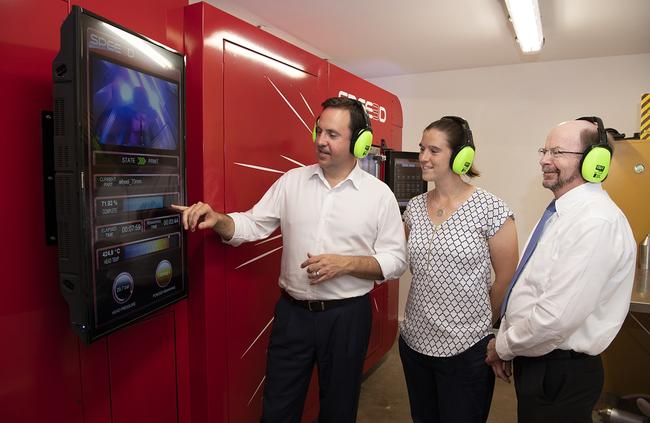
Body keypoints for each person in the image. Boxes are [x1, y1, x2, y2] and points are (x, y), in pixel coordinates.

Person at [172, 97, 407, 423]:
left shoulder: (378, 195)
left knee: (339, 410)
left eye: (333, 135)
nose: (321, 141)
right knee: (278, 409)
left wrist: (347, 264)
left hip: (347, 318)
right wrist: (218, 219)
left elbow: (396, 260)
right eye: (319, 131)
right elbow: (252, 224)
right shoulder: (292, 181)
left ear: (358, 141)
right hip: (292, 316)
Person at [486, 118, 637, 423]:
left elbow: (555, 319)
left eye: (557, 152)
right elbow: (533, 289)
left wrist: (503, 346)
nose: (544, 160)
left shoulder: (594, 222)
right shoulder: (562, 213)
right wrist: (514, 343)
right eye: (544, 150)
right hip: (541, 358)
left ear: (594, 161)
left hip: (560, 370)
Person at [398, 116, 518, 423]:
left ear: (461, 155)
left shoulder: (492, 209)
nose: (423, 157)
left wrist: (481, 328)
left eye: (434, 150)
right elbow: (403, 261)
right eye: (421, 148)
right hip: (415, 343)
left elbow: (505, 278)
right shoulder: (414, 207)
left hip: (467, 350)